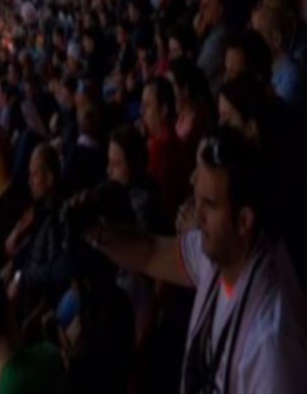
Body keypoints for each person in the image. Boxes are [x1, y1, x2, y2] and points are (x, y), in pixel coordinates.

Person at [88, 126, 307, 392]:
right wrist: (96, 233)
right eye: (197, 198)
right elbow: (151, 253)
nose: (197, 214)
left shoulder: (270, 345)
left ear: (243, 220)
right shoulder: (218, 256)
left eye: (210, 204)